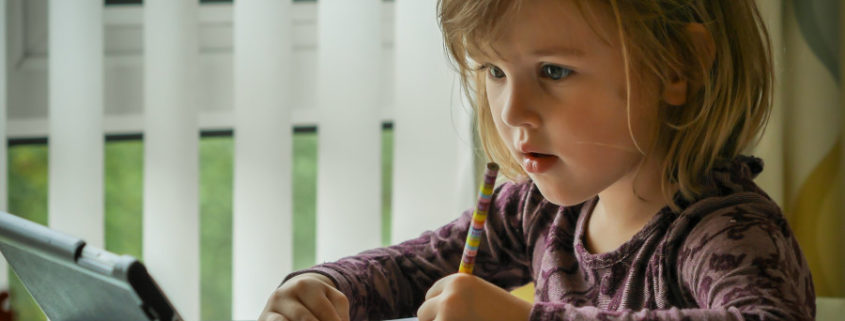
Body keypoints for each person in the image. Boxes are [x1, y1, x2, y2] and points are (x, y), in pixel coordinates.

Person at [259, 0, 815, 320]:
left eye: (553, 70)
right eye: (494, 72)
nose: (512, 111)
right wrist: (323, 287)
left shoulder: (727, 231)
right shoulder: (535, 212)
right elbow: (409, 269)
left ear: (678, 67)